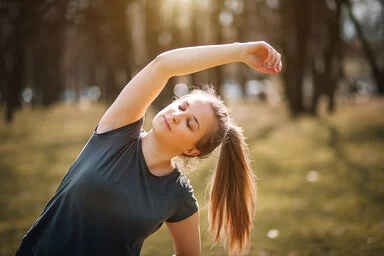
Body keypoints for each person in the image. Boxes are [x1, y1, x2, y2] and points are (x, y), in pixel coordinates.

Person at [16, 41, 282, 256]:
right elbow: (163, 65)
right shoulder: (118, 131)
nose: (177, 115)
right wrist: (240, 51)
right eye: (182, 106)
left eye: (190, 124)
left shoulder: (178, 197)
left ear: (191, 150)